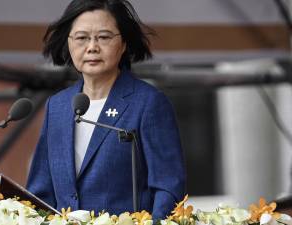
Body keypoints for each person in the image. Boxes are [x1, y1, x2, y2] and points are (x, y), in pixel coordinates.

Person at [26, 0, 185, 220]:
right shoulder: (58, 106)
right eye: (82, 38)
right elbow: (40, 191)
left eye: (103, 37)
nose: (92, 47)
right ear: (68, 43)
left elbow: (168, 187)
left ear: (123, 44)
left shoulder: (148, 103)